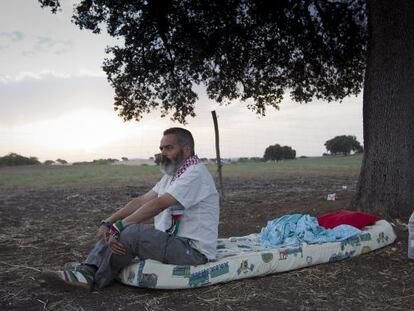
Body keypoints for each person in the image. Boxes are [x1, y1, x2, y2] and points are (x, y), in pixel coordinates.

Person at [42, 127, 220, 290]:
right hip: (174, 241)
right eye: (161, 149)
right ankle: (87, 269)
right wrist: (109, 222)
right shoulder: (174, 175)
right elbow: (141, 200)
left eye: (169, 148)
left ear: (186, 150)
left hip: (193, 252)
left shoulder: (195, 174)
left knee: (130, 232)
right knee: (119, 229)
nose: (163, 153)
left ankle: (93, 278)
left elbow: (158, 204)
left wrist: (119, 227)